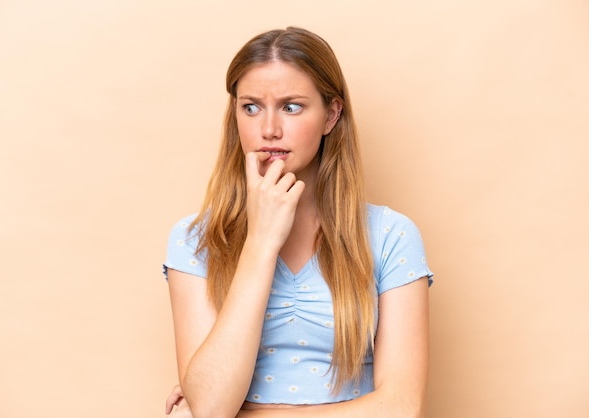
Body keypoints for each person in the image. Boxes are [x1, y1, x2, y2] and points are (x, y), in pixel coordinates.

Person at [163, 26, 433, 418]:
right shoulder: (194, 240)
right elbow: (209, 406)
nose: (268, 129)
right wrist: (260, 242)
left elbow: (400, 407)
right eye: (251, 107)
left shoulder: (392, 237)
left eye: (291, 107)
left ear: (332, 115)